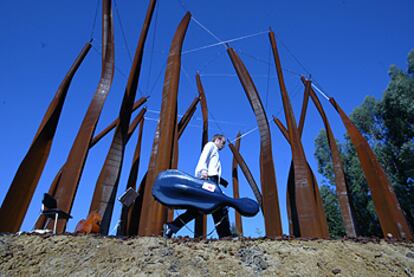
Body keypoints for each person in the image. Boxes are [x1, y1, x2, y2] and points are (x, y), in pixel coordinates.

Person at [163, 134, 232, 239]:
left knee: (197, 210)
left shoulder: (215, 151)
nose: (223, 146)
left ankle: (171, 227)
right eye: (223, 143)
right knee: (219, 206)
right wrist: (202, 171)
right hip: (209, 181)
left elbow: (212, 168)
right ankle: (225, 235)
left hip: (212, 181)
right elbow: (203, 158)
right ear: (217, 139)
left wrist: (221, 181)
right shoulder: (211, 145)